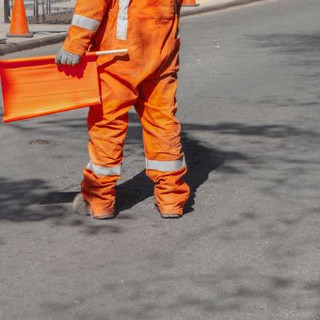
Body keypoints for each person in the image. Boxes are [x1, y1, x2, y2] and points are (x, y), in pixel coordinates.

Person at [55, 0, 190, 219]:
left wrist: (74, 45)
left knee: (107, 124)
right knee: (162, 123)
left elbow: (92, 6)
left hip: (118, 55)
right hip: (162, 52)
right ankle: (171, 199)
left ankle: (100, 200)